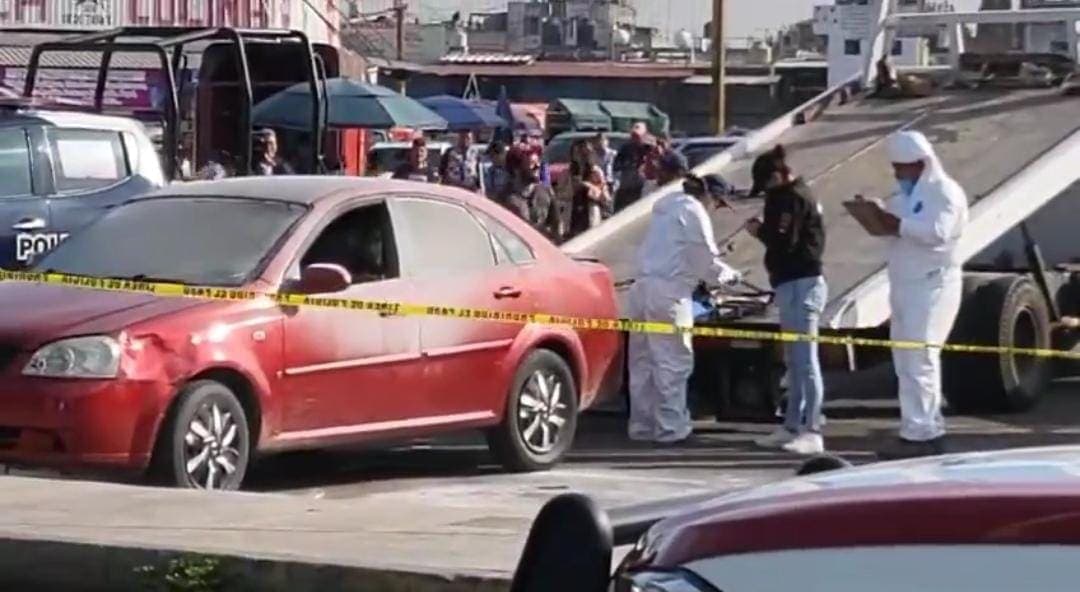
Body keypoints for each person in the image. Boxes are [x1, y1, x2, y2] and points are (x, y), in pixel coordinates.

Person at [862, 131, 968, 459]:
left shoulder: (945, 193)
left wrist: (898, 224)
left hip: (932, 286)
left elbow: (938, 233)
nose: (897, 174)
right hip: (906, 286)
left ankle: (925, 434)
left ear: (921, 164)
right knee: (905, 361)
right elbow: (893, 223)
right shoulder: (906, 195)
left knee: (921, 358)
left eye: (902, 168)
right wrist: (874, 214)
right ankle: (915, 427)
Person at [627, 152, 741, 445]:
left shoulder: (664, 209)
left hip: (640, 291)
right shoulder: (693, 211)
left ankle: (641, 425)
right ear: (710, 197)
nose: (715, 210)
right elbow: (704, 258)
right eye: (717, 204)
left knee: (642, 363)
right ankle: (670, 428)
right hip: (669, 293)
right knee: (672, 362)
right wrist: (729, 277)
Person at [744, 145, 828, 455]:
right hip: (791, 282)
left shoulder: (793, 198)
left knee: (806, 361)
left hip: (803, 283)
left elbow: (784, 240)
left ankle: (812, 428)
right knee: (794, 360)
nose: (765, 192)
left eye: (766, 184)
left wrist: (759, 231)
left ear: (778, 176)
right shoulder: (786, 196)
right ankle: (792, 424)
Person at [507, 152, 559, 240]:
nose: (537, 166)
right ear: (516, 169)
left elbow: (556, 224)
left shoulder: (545, 191)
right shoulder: (506, 197)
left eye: (538, 163)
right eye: (531, 163)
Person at [568, 140, 611, 237]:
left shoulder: (593, 167)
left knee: (592, 226)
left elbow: (601, 183)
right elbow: (574, 183)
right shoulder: (574, 167)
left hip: (591, 200)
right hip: (579, 199)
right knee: (578, 227)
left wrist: (589, 185)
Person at [612, 122, 653, 212]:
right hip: (626, 185)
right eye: (633, 135)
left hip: (643, 186)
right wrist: (628, 165)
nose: (635, 138)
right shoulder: (625, 148)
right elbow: (616, 165)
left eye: (638, 136)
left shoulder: (650, 148)